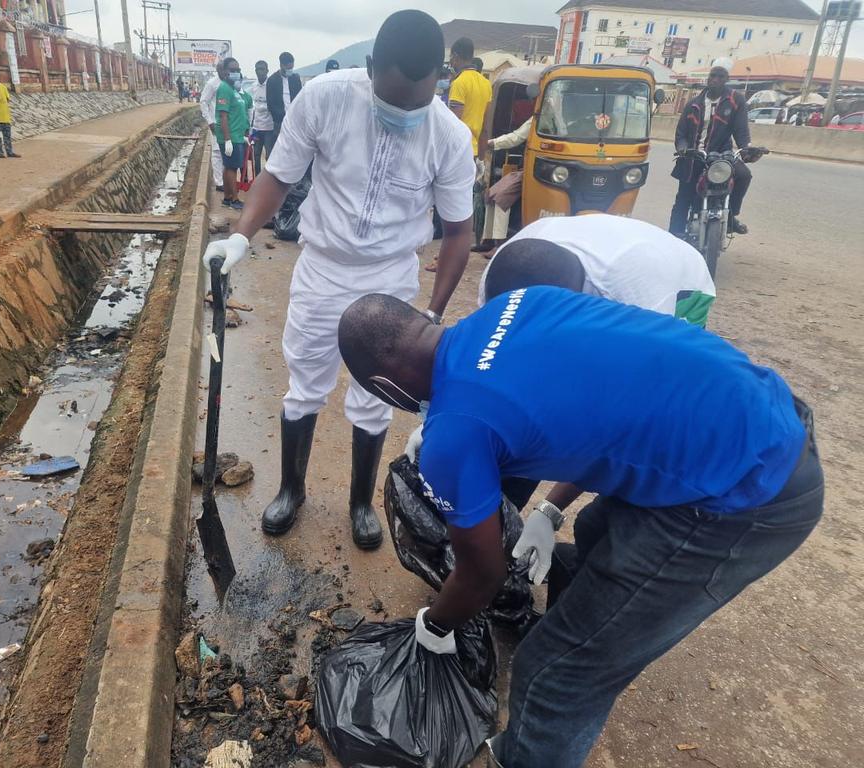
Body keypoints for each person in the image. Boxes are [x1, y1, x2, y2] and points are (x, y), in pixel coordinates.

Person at [337, 289, 822, 768]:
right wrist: (551, 510)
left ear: (386, 386)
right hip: (766, 411)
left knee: (553, 675)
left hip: (746, 494)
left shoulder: (457, 432)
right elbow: (604, 414)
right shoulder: (520, 303)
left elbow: (483, 574)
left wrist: (435, 626)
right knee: (596, 532)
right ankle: (587, 620)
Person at [201, 9, 476, 549]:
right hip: (323, 269)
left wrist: (434, 314)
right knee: (304, 385)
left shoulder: (448, 134)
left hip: (389, 280)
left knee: (375, 396)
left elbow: (460, 232)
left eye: (416, 104)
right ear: (371, 68)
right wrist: (240, 236)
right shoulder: (325, 98)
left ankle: (359, 503)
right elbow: (278, 177)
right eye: (392, 99)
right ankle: (292, 489)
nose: (403, 113)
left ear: (437, 83)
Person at [408, 212, 716, 510]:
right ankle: (502, 508)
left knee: (636, 431)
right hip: (605, 266)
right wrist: (439, 422)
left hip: (679, 286)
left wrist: (551, 509)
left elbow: (620, 423)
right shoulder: (506, 270)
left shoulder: (639, 302)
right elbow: (490, 363)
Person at [425, 37, 490, 272]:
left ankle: (442, 259)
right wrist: (482, 157)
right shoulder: (485, 83)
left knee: (447, 211)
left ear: (456, 56)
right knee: (461, 209)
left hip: (456, 151)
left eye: (452, 57)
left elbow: (453, 121)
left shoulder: (461, 82)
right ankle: (451, 256)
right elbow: (484, 126)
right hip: (472, 152)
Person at [669, 58, 752, 237]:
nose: (715, 79)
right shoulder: (693, 103)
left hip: (722, 156)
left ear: (727, 78)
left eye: (720, 76)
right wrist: (683, 148)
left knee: (744, 175)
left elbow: (741, 130)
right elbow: (681, 134)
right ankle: (673, 237)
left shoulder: (736, 100)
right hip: (694, 157)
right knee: (683, 199)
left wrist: (746, 150)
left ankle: (730, 216)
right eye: (712, 75)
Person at [479, 116, 531, 250]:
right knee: (492, 193)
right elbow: (516, 137)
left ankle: (499, 245)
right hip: (527, 169)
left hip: (534, 170)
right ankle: (488, 241)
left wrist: (491, 143)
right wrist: (492, 143)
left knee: (501, 197)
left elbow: (516, 138)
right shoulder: (540, 115)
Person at [214, 58, 250, 210]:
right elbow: (223, 116)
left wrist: (243, 134)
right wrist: (227, 139)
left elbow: (238, 114)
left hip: (237, 135)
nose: (236, 73)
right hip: (230, 137)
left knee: (228, 166)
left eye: (238, 70)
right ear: (225, 71)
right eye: (232, 70)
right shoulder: (224, 88)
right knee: (232, 167)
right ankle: (234, 199)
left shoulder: (233, 89)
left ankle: (227, 198)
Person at [265, 51, 302, 151]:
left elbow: (300, 99)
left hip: (294, 121)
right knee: (279, 149)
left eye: (292, 68)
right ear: (281, 65)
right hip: (279, 123)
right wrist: (281, 117)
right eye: (288, 68)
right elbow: (271, 104)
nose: (290, 70)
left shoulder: (295, 79)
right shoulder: (272, 80)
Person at [200, 71, 225, 191]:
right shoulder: (212, 84)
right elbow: (203, 102)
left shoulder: (228, 82)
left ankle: (225, 179)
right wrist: (209, 121)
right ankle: (219, 183)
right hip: (215, 123)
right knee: (217, 152)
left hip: (228, 123)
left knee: (227, 151)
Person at [249, 60, 274, 176]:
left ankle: (268, 178)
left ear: (267, 70)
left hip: (269, 128)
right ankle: (257, 178)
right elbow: (252, 107)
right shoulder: (253, 86)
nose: (260, 72)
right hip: (257, 128)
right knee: (256, 154)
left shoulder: (272, 85)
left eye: (262, 69)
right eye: (258, 69)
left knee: (269, 155)